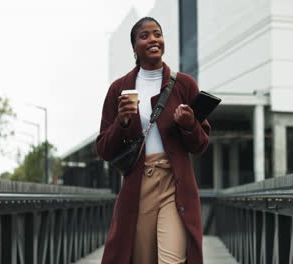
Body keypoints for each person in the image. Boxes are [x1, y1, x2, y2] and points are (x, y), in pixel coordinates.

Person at [96, 17, 210, 264]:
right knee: (141, 258)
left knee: (172, 259)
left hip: (175, 183)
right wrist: (122, 122)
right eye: (144, 36)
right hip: (139, 185)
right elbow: (104, 148)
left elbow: (201, 145)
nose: (153, 40)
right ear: (134, 46)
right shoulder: (119, 89)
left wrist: (190, 125)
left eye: (157, 34)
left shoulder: (184, 84)